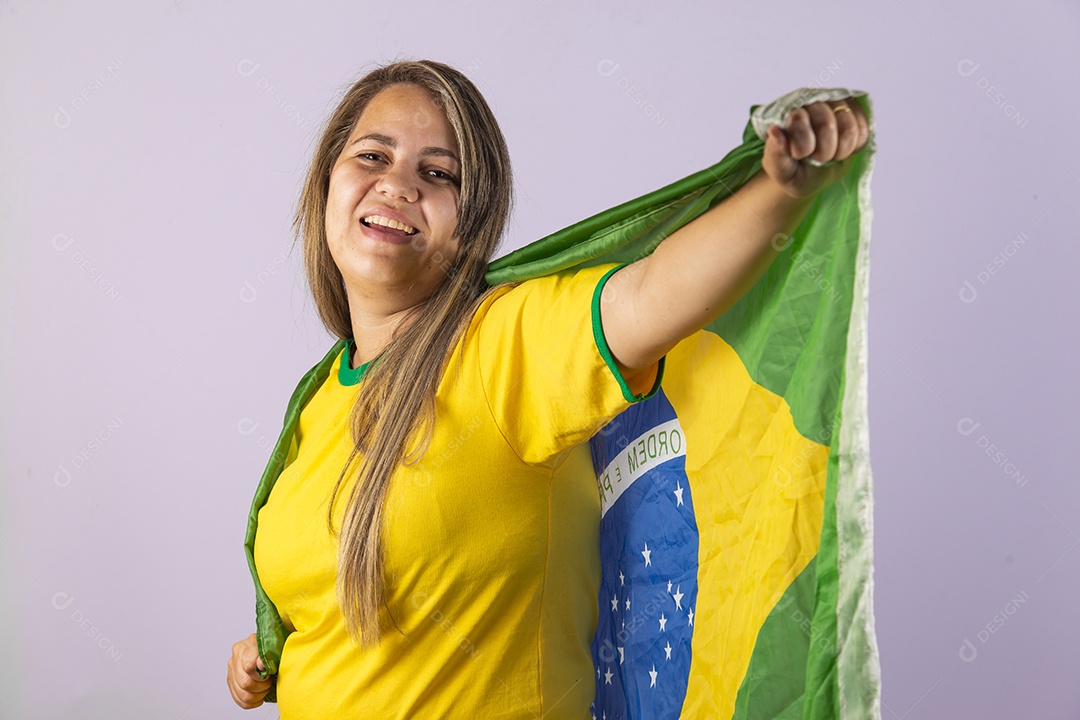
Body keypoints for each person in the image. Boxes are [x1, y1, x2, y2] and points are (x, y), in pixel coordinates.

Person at [226, 59, 868, 718]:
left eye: (438, 173)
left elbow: (651, 295)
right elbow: (347, 607)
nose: (397, 186)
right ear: (327, 182)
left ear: (472, 221)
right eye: (373, 156)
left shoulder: (500, 346)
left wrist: (779, 190)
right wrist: (272, 653)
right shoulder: (318, 398)